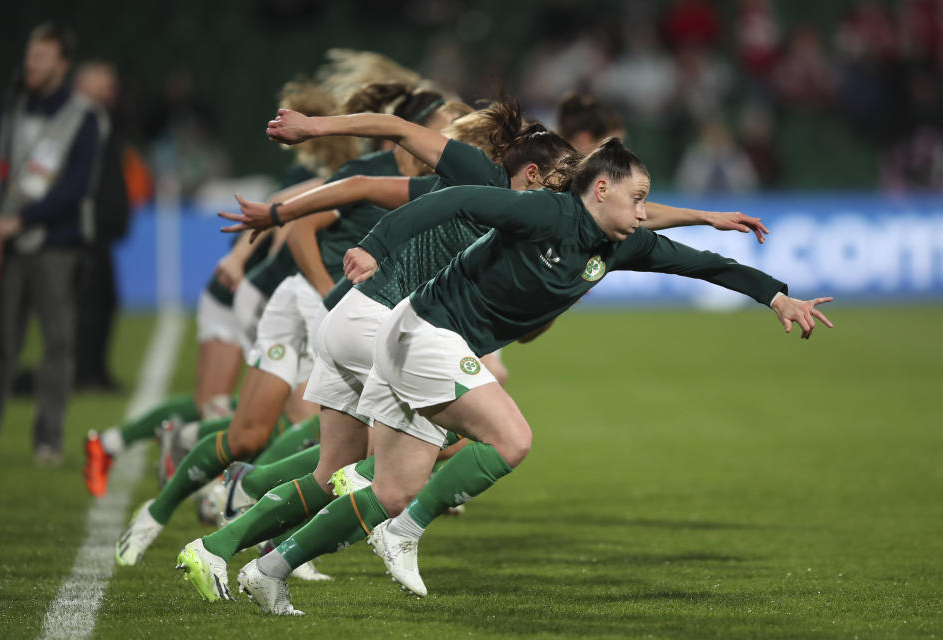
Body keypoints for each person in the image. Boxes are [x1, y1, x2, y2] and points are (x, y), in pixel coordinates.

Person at [174, 103, 771, 603]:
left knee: (361, 478)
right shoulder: (497, 188)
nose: (562, 186)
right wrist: (312, 157)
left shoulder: (564, 220)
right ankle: (384, 524)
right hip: (384, 320)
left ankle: (250, 555)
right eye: (558, 176)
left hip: (382, 323)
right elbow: (393, 147)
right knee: (489, 436)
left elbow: (640, 224)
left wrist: (709, 222)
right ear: (534, 173)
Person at [114, 85, 465, 566]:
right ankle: (163, 512)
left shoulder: (444, 189)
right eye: (449, 124)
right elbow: (299, 224)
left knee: (319, 443)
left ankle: (265, 533)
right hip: (305, 302)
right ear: (420, 130)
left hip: (353, 314)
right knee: (262, 437)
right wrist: (324, 294)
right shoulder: (372, 174)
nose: (455, 136)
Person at [0, 22, 102, 465]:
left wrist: (22, 220)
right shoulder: (10, 109)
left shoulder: (83, 117)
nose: (30, 64)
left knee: (56, 345)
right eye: (30, 55)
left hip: (56, 245)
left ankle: (47, 441)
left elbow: (75, 187)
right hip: (5, 245)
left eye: (40, 57)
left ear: (61, 64)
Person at [72, 60, 129, 392]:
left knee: (104, 300)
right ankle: (85, 373)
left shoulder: (102, 121)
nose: (112, 92)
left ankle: (95, 371)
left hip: (100, 232)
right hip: (84, 232)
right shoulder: (79, 123)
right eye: (105, 85)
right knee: (88, 304)